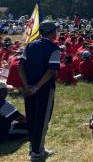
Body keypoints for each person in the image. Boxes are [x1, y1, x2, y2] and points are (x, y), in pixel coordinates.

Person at [18, 20, 60, 161]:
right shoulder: (54, 48)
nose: (57, 32)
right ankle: (37, 153)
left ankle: (35, 147)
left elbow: (20, 66)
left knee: (32, 117)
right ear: (51, 32)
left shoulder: (30, 45)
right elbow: (51, 71)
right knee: (42, 119)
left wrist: (26, 85)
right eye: (55, 30)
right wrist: (37, 87)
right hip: (44, 90)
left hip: (29, 88)